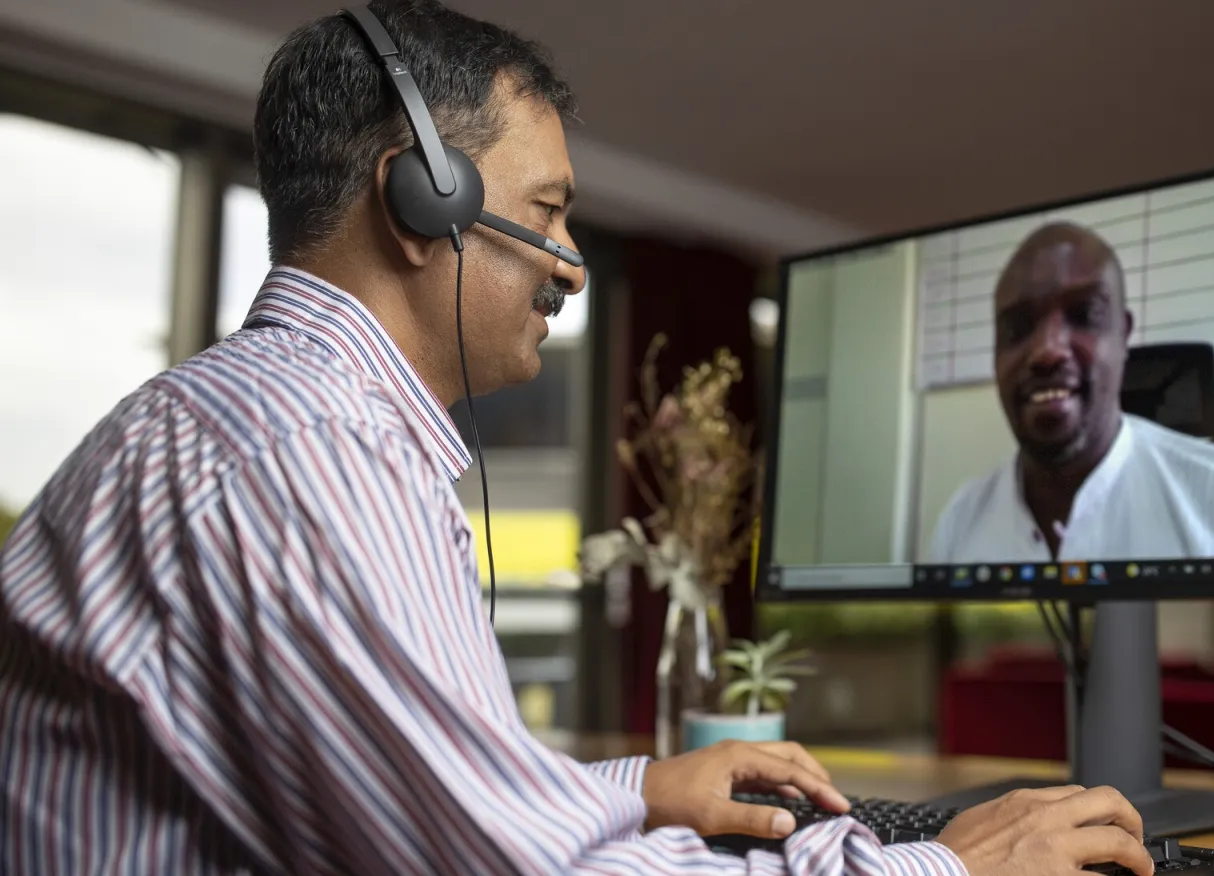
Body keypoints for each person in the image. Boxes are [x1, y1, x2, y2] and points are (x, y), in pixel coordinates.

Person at [0, 3, 1154, 875]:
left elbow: (439, 805)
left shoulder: (251, 421)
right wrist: (946, 865)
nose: (568, 265)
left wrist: (639, 785)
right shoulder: (301, 462)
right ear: (424, 204)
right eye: (548, 212)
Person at [924, 222, 1214, 565]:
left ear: (1124, 338)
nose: (1047, 350)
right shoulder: (961, 521)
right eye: (1016, 328)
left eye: (1085, 315)